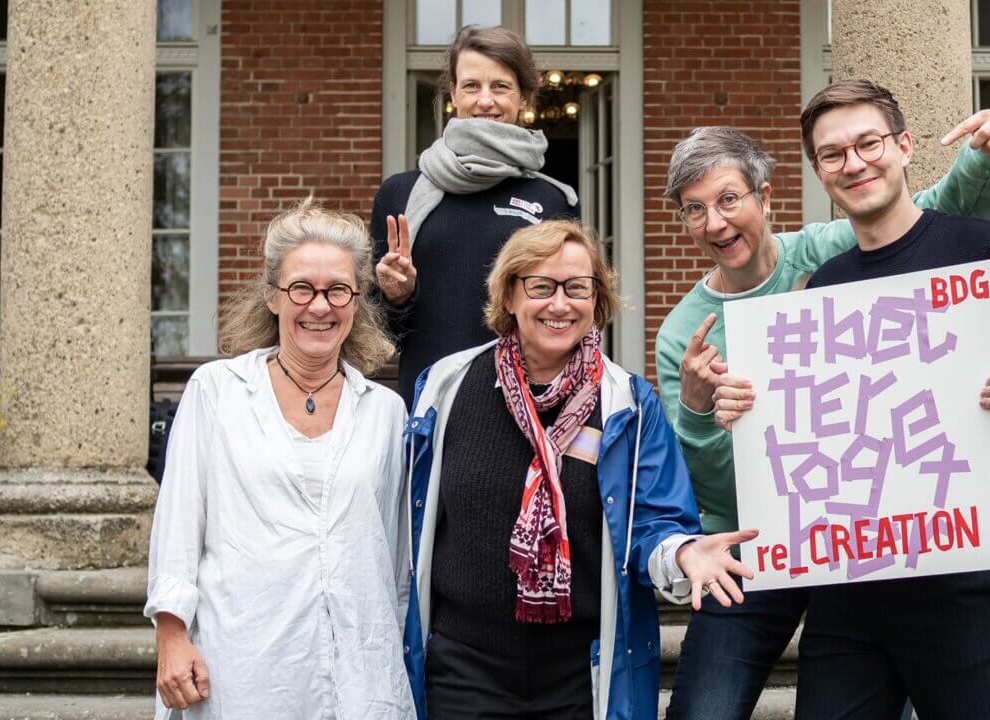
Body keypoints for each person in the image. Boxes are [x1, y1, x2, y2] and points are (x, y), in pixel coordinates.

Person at [711, 79, 990, 719]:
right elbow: (810, 425)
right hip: (849, 593)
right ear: (820, 173)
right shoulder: (822, 287)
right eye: (833, 154)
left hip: (966, 585)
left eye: (868, 143)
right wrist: (742, 412)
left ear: (904, 146)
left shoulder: (984, 251)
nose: (854, 163)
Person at [400, 219, 756, 720]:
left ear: (598, 300)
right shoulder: (446, 386)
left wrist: (683, 553)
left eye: (577, 288)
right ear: (508, 296)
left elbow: (655, 522)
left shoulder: (627, 403)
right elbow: (412, 520)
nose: (560, 304)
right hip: (463, 671)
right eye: (541, 287)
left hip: (579, 677)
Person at [145, 200, 414, 719]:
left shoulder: (384, 412)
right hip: (241, 668)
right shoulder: (217, 391)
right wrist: (171, 634)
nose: (320, 306)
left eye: (338, 290)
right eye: (302, 289)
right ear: (271, 296)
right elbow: (178, 524)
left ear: (357, 301)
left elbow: (392, 557)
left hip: (357, 675)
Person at [370, 24, 579, 405]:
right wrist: (396, 297)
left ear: (523, 97)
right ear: (453, 94)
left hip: (525, 409)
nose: (486, 100)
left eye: (500, 86)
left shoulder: (552, 201)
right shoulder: (399, 195)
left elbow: (572, 320)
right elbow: (378, 334)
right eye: (471, 86)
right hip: (429, 407)